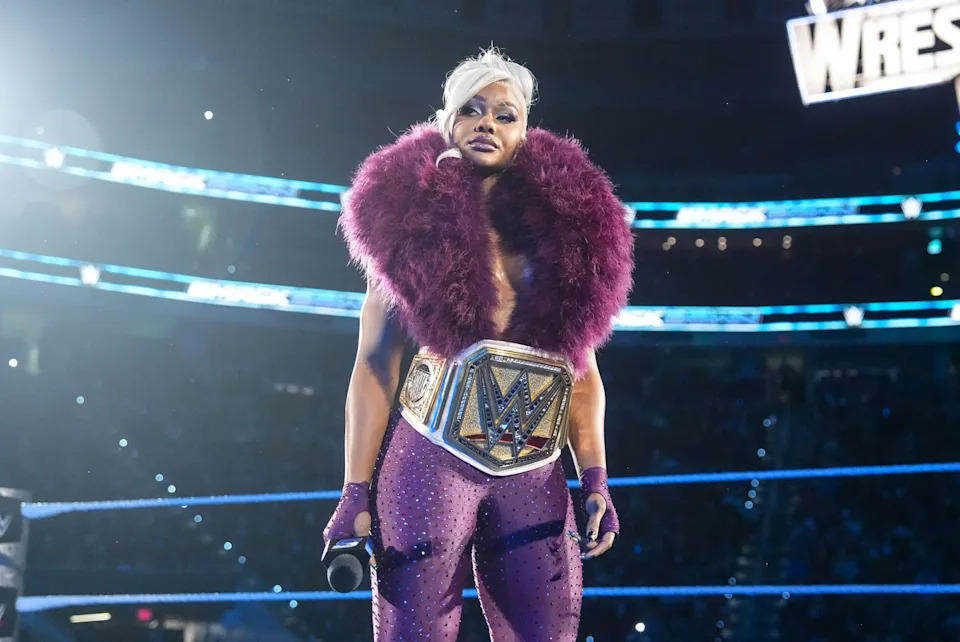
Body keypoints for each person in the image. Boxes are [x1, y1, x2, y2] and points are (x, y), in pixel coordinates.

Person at [325, 46, 635, 640]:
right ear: (448, 123)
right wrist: (354, 489)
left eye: (504, 114)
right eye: (472, 110)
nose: (486, 123)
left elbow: (583, 372)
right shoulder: (406, 226)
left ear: (525, 132)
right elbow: (375, 366)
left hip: (535, 472)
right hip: (429, 462)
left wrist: (595, 477)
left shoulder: (567, 236)